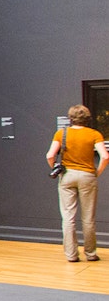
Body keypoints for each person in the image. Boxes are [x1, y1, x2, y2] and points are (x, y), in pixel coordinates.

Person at [45, 105, 107, 262]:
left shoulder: (61, 133)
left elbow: (50, 155)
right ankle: (91, 253)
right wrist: (96, 173)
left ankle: (71, 255)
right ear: (87, 118)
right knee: (88, 218)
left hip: (67, 176)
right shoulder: (94, 134)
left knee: (68, 217)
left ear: (70, 118)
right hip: (87, 176)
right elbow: (105, 156)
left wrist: (55, 168)